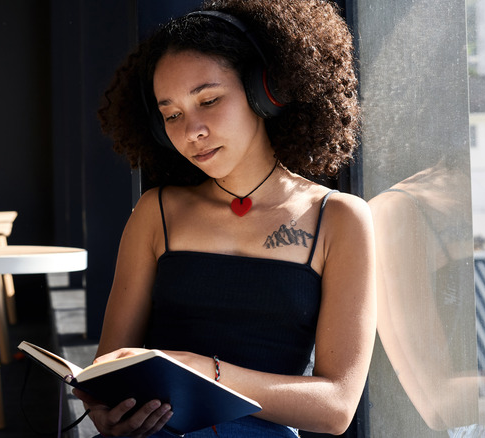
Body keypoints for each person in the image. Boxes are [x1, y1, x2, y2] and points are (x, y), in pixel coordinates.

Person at [74, 0, 377, 436]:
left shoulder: (338, 218)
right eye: (172, 115)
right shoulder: (156, 214)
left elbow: (336, 407)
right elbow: (109, 368)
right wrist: (107, 411)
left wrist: (204, 372)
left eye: (209, 100)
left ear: (264, 92)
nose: (191, 130)